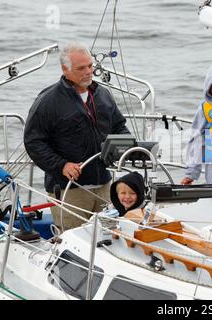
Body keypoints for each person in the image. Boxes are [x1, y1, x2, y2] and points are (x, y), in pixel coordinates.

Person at [24, 42, 130, 231]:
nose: (89, 71)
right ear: (65, 69)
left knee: (109, 238)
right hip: (69, 190)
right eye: (81, 68)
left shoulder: (102, 95)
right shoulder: (48, 101)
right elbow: (34, 142)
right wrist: (61, 165)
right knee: (74, 243)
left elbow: (119, 127)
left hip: (105, 185)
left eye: (90, 66)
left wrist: (123, 150)